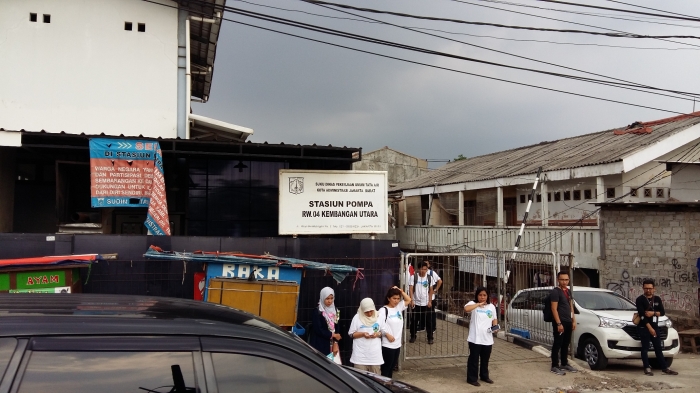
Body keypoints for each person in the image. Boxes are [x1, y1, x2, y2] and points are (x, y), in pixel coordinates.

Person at [636, 279, 678, 376]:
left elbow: (662, 312)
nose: (648, 290)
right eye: (646, 288)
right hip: (644, 327)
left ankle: (665, 368)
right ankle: (647, 367)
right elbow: (642, 316)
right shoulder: (640, 299)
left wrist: (653, 313)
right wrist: (650, 328)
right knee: (645, 347)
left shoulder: (657, 299)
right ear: (643, 288)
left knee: (658, 348)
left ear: (654, 289)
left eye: (650, 288)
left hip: (655, 327)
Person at [464, 286, 498, 387]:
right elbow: (466, 309)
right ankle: (472, 378)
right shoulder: (473, 304)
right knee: (474, 359)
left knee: (485, 359)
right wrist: (478, 304)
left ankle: (484, 376)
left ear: (487, 296)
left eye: (484, 295)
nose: (482, 297)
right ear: (477, 295)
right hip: (475, 338)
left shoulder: (491, 306)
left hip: (487, 338)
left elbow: (494, 319)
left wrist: (495, 327)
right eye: (480, 295)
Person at [378, 286, 411, 378]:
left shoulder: (399, 307)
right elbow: (379, 325)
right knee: (386, 368)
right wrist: (387, 334)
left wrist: (401, 291)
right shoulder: (383, 310)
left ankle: (388, 385)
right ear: (388, 298)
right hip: (387, 344)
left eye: (398, 298)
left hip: (397, 344)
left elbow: (409, 299)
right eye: (394, 298)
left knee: (391, 367)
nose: (396, 301)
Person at [549, 271, 578, 375]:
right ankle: (554, 365)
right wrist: (558, 323)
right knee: (558, 343)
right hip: (560, 322)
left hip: (568, 321)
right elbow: (554, 308)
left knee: (566, 343)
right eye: (562, 279)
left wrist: (573, 320)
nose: (564, 282)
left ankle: (564, 363)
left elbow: (571, 307)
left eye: (566, 280)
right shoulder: (555, 292)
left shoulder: (568, 291)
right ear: (558, 280)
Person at [349, 298, 384, 374]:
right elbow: (351, 334)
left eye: (371, 311)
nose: (369, 314)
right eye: (366, 312)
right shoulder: (357, 317)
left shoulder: (379, 317)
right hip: (360, 356)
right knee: (360, 380)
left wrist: (377, 334)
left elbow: (383, 332)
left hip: (374, 355)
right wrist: (362, 334)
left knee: (376, 380)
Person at [309, 287, 341, 356]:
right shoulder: (318, 311)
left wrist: (336, 343)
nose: (330, 301)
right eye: (327, 298)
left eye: (331, 298)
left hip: (332, 345)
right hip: (320, 345)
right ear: (322, 298)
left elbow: (337, 327)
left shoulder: (336, 310)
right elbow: (319, 330)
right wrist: (332, 335)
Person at [409, 261, 435, 344]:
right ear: (418, 269)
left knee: (428, 321)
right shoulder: (414, 277)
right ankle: (413, 336)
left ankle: (430, 337)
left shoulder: (429, 278)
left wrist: (430, 301)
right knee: (414, 320)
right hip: (416, 303)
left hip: (426, 303)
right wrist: (411, 300)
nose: (424, 271)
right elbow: (411, 289)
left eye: (425, 269)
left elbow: (431, 290)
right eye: (422, 269)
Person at [425, 260, 443, 334]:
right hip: (422, 298)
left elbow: (440, 281)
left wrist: (435, 290)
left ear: (429, 265)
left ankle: (433, 327)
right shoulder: (419, 273)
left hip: (431, 297)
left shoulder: (431, 273)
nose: (425, 265)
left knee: (431, 313)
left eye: (426, 264)